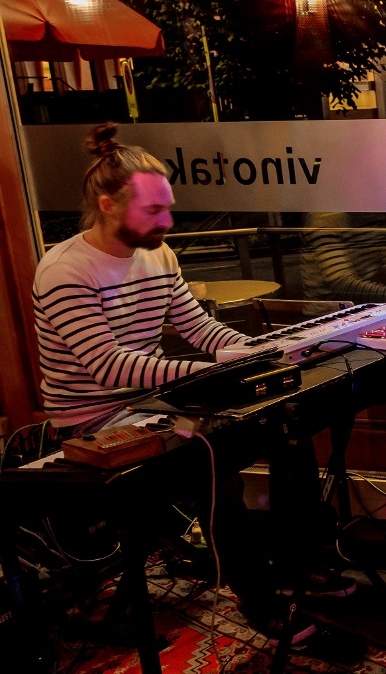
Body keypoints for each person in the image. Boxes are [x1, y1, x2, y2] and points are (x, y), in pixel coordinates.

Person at [31, 123, 361, 658]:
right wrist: (204, 373)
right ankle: (259, 601)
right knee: (213, 454)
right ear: (109, 203)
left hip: (149, 398)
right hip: (94, 420)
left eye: (169, 208)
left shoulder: (158, 256)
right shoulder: (67, 270)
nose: (169, 221)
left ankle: (299, 566)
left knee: (285, 421)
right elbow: (107, 366)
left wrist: (259, 352)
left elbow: (201, 330)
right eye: (154, 212)